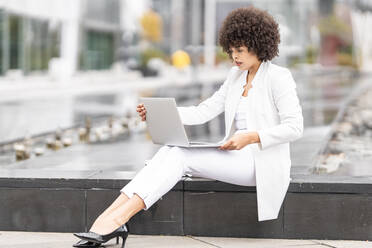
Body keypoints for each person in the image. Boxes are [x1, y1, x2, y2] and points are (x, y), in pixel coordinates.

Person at [73, 6, 303, 248]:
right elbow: (204, 111)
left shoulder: (279, 77)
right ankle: (104, 221)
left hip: (261, 164)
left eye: (240, 50)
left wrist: (251, 137)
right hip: (236, 157)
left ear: (259, 45)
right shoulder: (235, 76)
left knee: (181, 155)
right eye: (231, 50)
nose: (234, 57)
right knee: (169, 150)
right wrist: (159, 113)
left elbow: (295, 127)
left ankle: (119, 219)